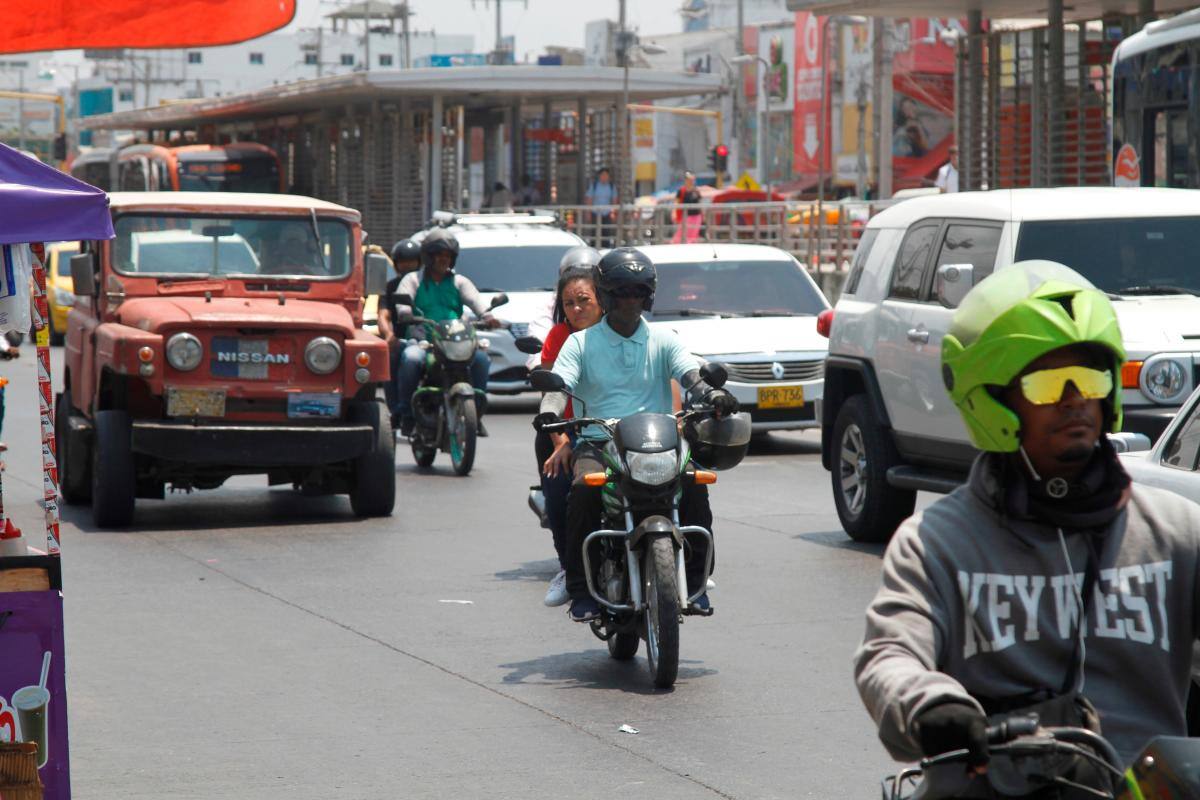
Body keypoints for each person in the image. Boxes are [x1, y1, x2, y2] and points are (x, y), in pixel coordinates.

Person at [854, 260, 1200, 789]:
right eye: (1046, 384)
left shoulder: (1176, 532)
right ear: (992, 399)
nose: (1074, 399)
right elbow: (890, 654)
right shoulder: (935, 544)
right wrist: (930, 706)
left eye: (1089, 378)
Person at [535, 248, 738, 622]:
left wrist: (712, 395)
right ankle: (580, 590)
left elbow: (690, 377)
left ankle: (696, 581)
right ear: (607, 295)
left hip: (659, 441)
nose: (631, 301)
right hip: (600, 441)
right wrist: (549, 409)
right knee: (583, 490)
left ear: (649, 297)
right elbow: (559, 384)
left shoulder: (664, 338)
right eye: (623, 292)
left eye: (638, 293)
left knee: (694, 484)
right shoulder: (580, 343)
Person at [535, 250, 604, 607]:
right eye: (569, 303)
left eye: (584, 301)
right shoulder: (560, 337)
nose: (577, 309)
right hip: (572, 430)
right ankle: (569, 568)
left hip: (621, 431)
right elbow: (552, 394)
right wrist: (562, 442)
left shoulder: (627, 331)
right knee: (562, 490)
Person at [392, 229, 501, 437]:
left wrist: (488, 318)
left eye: (448, 256)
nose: (444, 259)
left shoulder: (460, 282)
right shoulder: (412, 280)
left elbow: (477, 302)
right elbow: (403, 302)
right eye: (439, 255)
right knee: (411, 359)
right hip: (424, 340)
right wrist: (405, 313)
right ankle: (406, 413)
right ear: (428, 256)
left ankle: (475, 413)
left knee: (481, 360)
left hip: (455, 340)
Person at [380, 239, 422, 418]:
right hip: (401, 338)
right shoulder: (391, 287)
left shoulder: (423, 283)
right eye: (403, 262)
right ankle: (398, 409)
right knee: (390, 359)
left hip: (429, 335)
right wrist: (389, 334)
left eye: (412, 262)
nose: (408, 266)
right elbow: (383, 314)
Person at [583, 167, 617, 247]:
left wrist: (613, 212)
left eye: (606, 175)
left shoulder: (611, 186)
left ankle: (606, 248)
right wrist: (588, 213)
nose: (604, 177)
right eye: (603, 175)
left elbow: (614, 200)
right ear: (599, 176)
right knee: (595, 232)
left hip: (607, 213)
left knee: (606, 232)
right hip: (595, 213)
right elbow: (589, 199)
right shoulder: (594, 186)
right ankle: (594, 248)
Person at [672, 171, 704, 244]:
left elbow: (700, 202)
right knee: (681, 233)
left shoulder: (696, 190)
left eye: (693, 180)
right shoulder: (681, 190)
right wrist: (674, 212)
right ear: (686, 180)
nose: (691, 181)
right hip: (686, 216)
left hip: (697, 216)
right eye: (690, 179)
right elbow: (676, 202)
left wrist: (703, 215)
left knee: (693, 235)